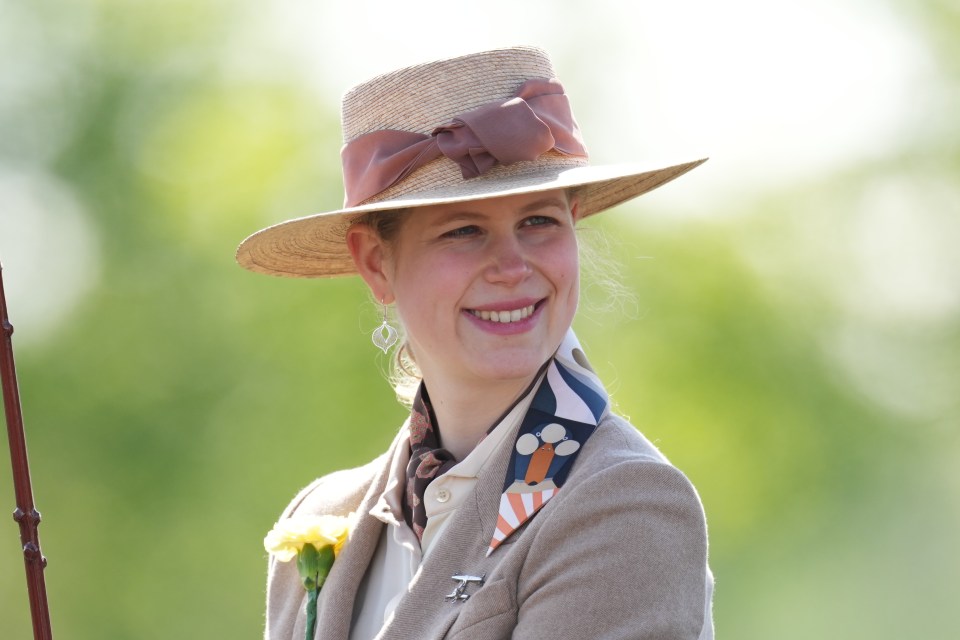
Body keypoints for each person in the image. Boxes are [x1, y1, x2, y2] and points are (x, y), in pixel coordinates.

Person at [237, 46, 714, 640]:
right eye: (463, 230)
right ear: (377, 264)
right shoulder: (320, 518)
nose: (512, 267)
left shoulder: (625, 505)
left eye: (538, 221)